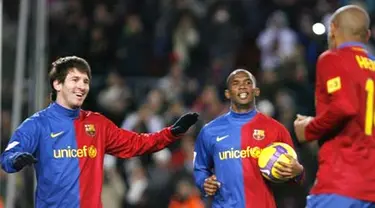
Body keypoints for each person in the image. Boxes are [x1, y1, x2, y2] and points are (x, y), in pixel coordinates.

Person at [0, 56, 199, 208]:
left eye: (85, 81)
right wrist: (15, 159)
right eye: (75, 79)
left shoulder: (97, 124)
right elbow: (8, 156)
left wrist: (171, 132)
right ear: (57, 84)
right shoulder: (37, 124)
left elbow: (136, 143)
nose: (81, 86)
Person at [294, 5, 375, 208]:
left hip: (340, 184)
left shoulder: (332, 58)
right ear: (367, 35)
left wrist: (309, 129)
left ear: (332, 29)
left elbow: (344, 107)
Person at [193, 69, 304, 208]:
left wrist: (298, 172)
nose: (242, 86)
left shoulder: (277, 130)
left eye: (247, 82)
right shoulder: (209, 131)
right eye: (236, 83)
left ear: (256, 91)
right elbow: (200, 169)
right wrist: (204, 183)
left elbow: (295, 177)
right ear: (227, 93)